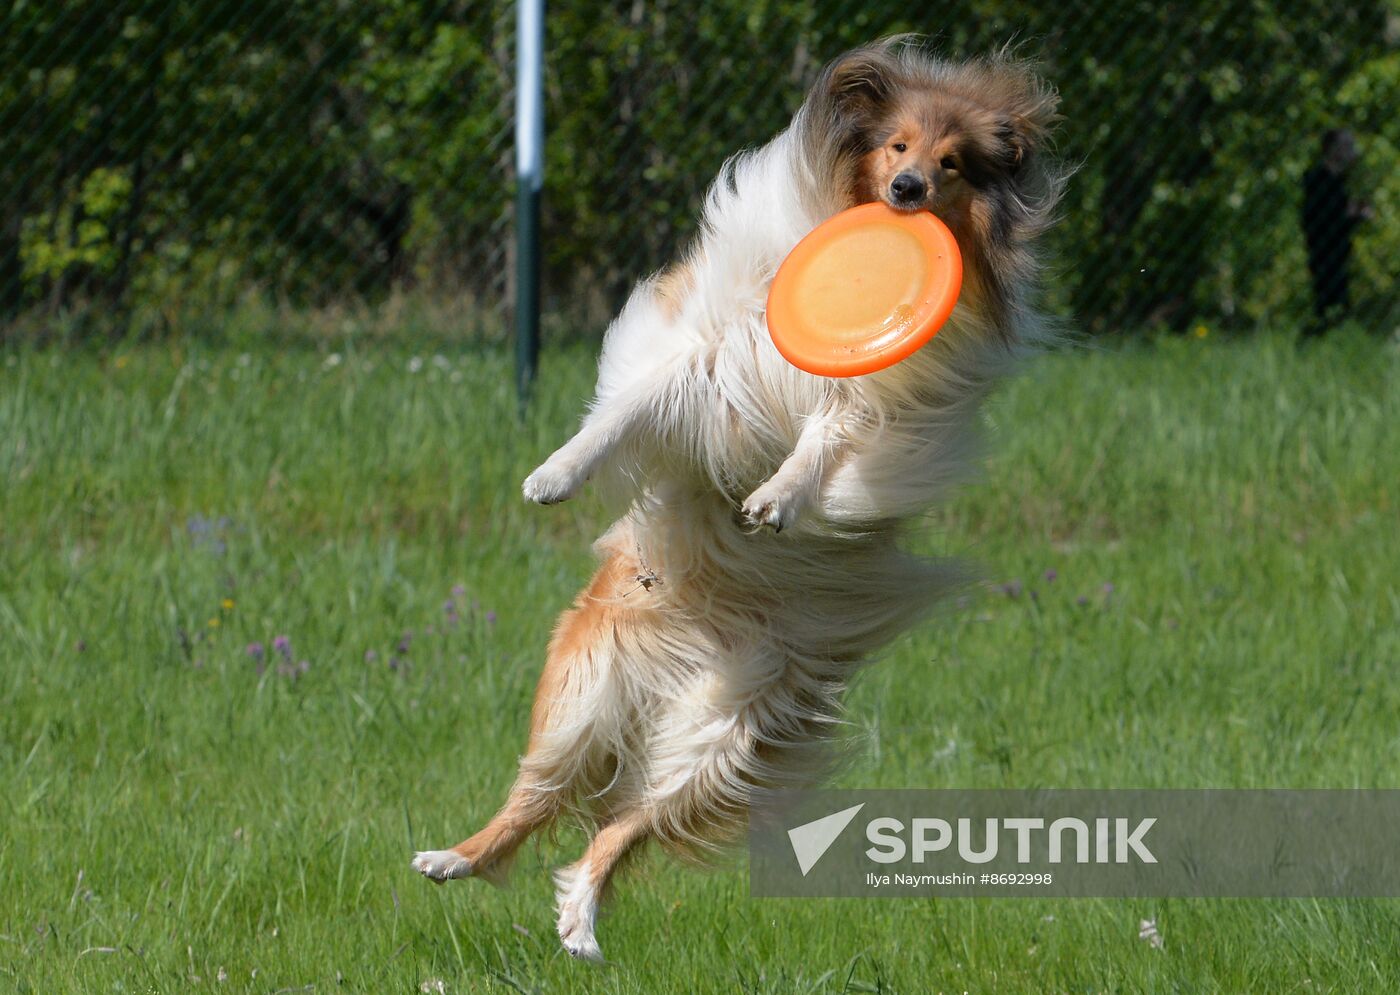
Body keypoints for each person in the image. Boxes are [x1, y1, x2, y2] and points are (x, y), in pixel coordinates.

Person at [1301, 129, 1372, 335]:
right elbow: (1325, 219)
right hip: (1325, 254)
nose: (1353, 152)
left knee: (1336, 306)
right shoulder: (1319, 181)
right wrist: (1353, 213)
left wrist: (1353, 213)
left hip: (1336, 253)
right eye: (1348, 146)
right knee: (1331, 306)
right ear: (1333, 150)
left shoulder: (1336, 183)